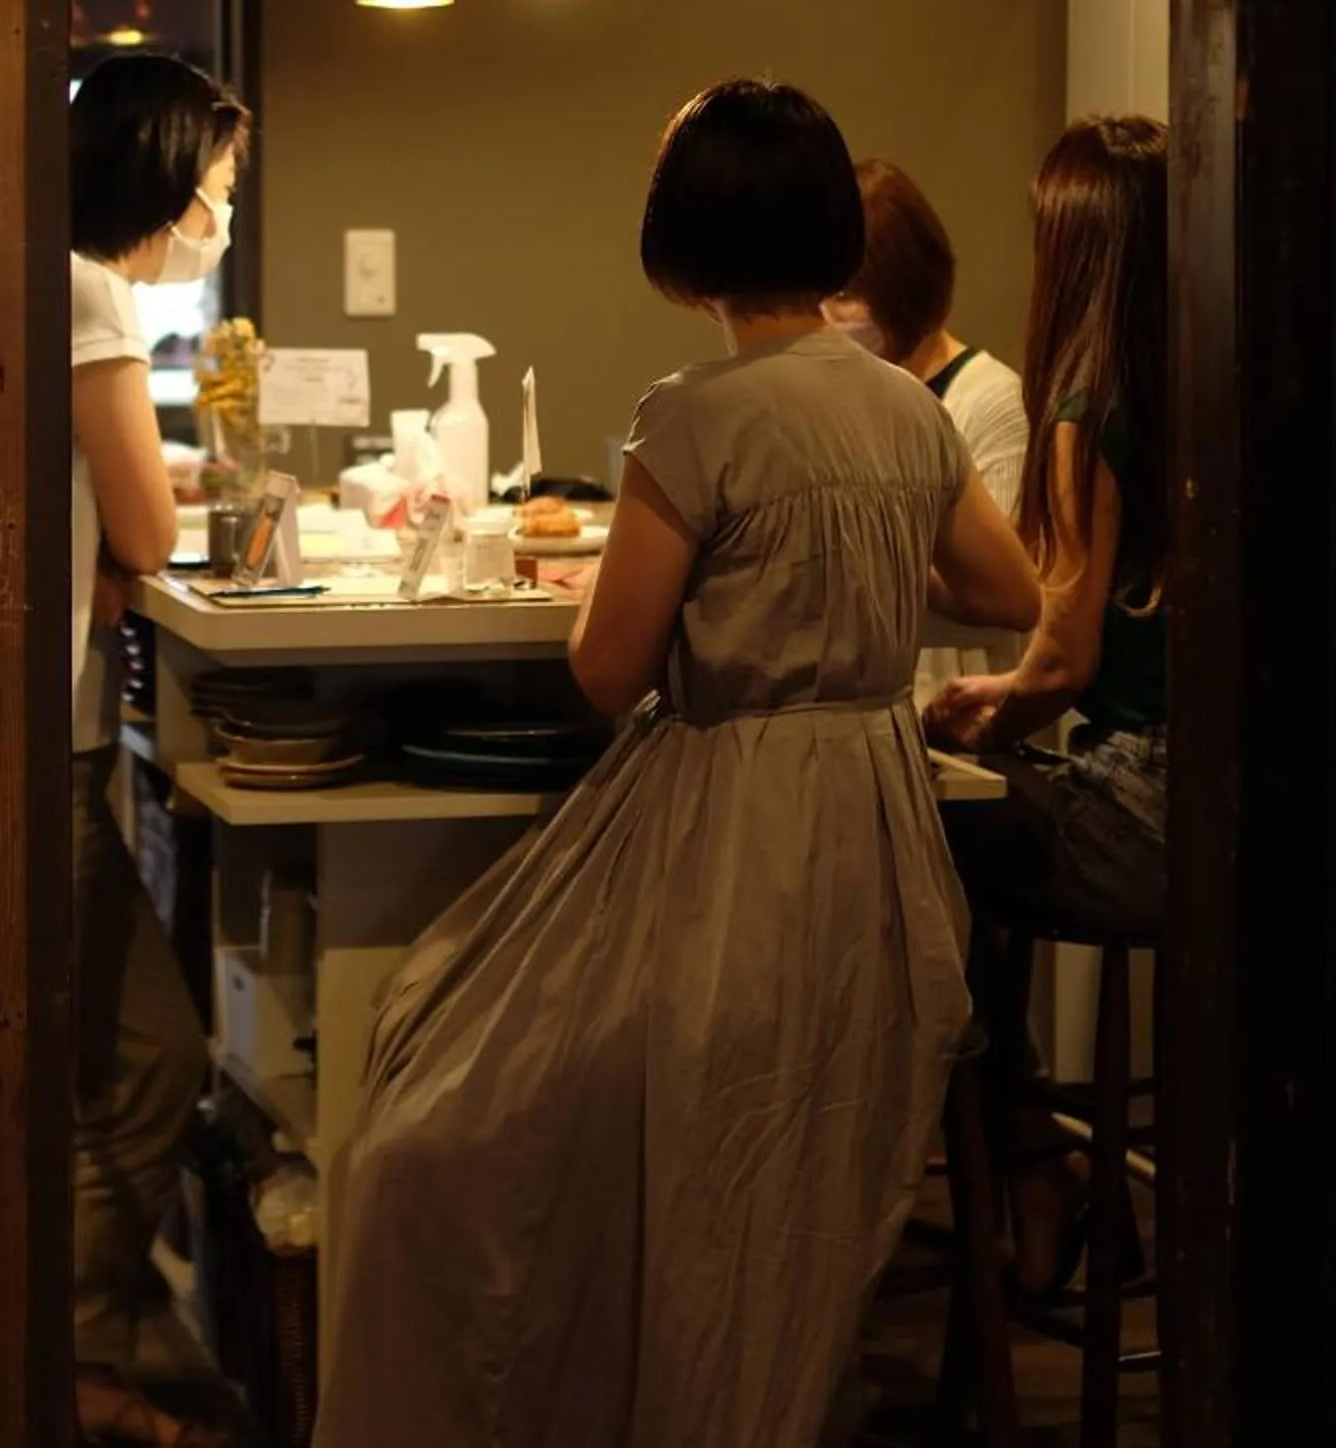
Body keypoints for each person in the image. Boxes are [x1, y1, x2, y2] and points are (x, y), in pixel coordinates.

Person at [315, 80, 1041, 1447]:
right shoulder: (908, 408)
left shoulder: (690, 415)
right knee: (766, 1165)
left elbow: (609, 668)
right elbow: (1008, 595)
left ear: (683, 240)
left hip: (731, 822)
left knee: (437, 1093)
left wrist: (668, 585)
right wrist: (856, 574)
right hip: (877, 831)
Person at [0, 53, 248, 1447]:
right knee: (132, 1067)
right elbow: (147, 533)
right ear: (167, 176)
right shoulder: (90, 290)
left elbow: (91, 532)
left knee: (54, 1080)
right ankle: (22, 1377)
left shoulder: (40, 280)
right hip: (2, 768)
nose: (219, 214)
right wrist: (124, 543)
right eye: (219, 184)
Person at [923, 113, 1170, 1297]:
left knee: (908, 820)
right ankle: (1041, 1161)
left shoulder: (1088, 404)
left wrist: (975, 716)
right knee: (968, 824)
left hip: (1143, 821)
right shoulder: (1214, 387)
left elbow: (1062, 666)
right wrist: (1004, 702)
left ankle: (1027, 1153)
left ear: (1075, 247)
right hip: (1242, 817)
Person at [829, 157, 1032, 705]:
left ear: (903, 285)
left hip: (957, 703)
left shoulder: (990, 399)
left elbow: (1005, 597)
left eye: (845, 294)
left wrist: (865, 562)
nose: (827, 315)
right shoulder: (847, 398)